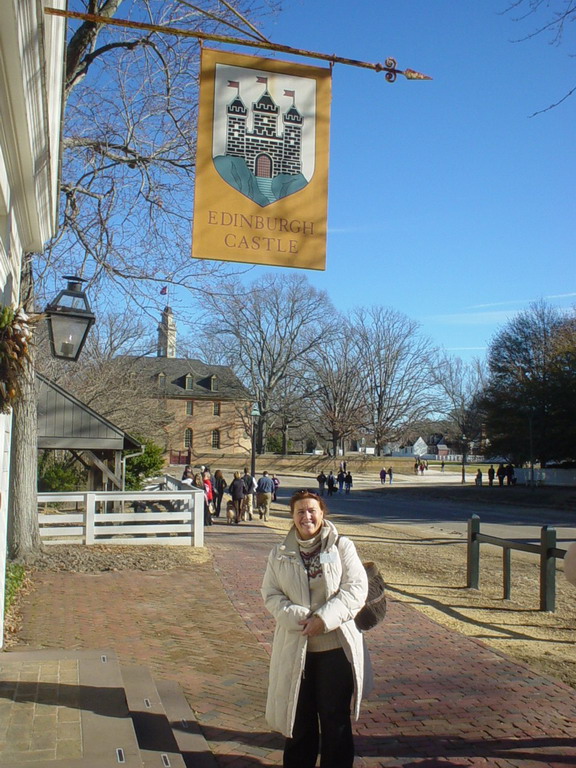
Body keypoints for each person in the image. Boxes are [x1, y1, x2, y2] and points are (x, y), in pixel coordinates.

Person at [261, 490, 371, 768]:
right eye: (300, 511)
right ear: (292, 517)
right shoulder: (280, 553)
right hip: (296, 647)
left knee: (335, 720)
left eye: (312, 510)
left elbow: (356, 589)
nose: (306, 516)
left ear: (322, 513)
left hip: (335, 649)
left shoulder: (341, 546)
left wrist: (323, 619)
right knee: (299, 720)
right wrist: (300, 618)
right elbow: (271, 594)